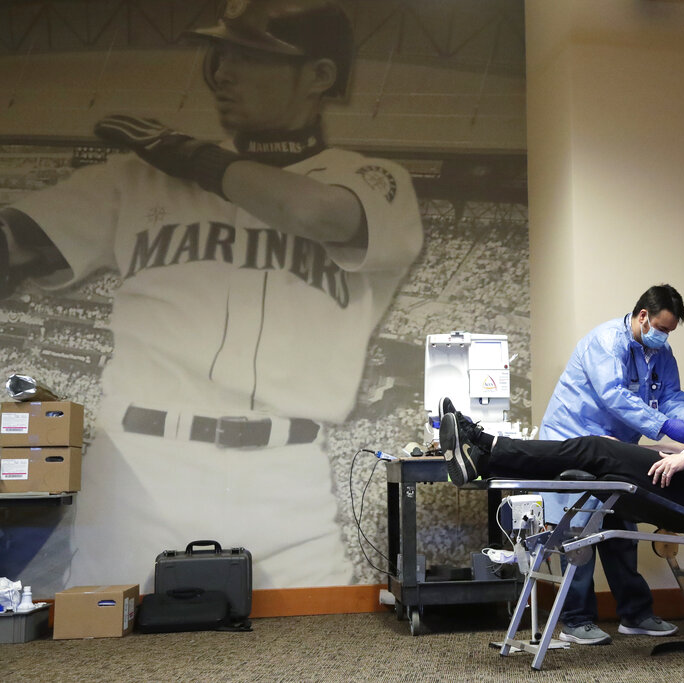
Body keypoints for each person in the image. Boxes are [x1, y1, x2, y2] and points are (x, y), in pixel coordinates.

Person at [0, 0, 423, 590]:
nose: (222, 71)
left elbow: (311, 211)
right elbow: (17, 242)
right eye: (220, 54)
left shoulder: (372, 181)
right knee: (111, 657)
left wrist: (188, 154)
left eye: (248, 55)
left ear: (319, 76)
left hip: (288, 477)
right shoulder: (135, 177)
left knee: (317, 647)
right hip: (141, 469)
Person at [440, 351, 684, 612]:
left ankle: (485, 448)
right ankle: (482, 459)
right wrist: (659, 449)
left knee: (595, 449)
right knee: (597, 462)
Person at [536, 284, 684, 644]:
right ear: (643, 316)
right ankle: (576, 620)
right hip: (576, 441)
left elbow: (671, 394)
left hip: (615, 450)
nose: (663, 336)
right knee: (579, 532)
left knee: (620, 527)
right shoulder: (606, 341)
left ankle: (636, 614)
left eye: (669, 331)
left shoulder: (660, 352)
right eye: (661, 328)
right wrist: (664, 426)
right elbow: (613, 394)